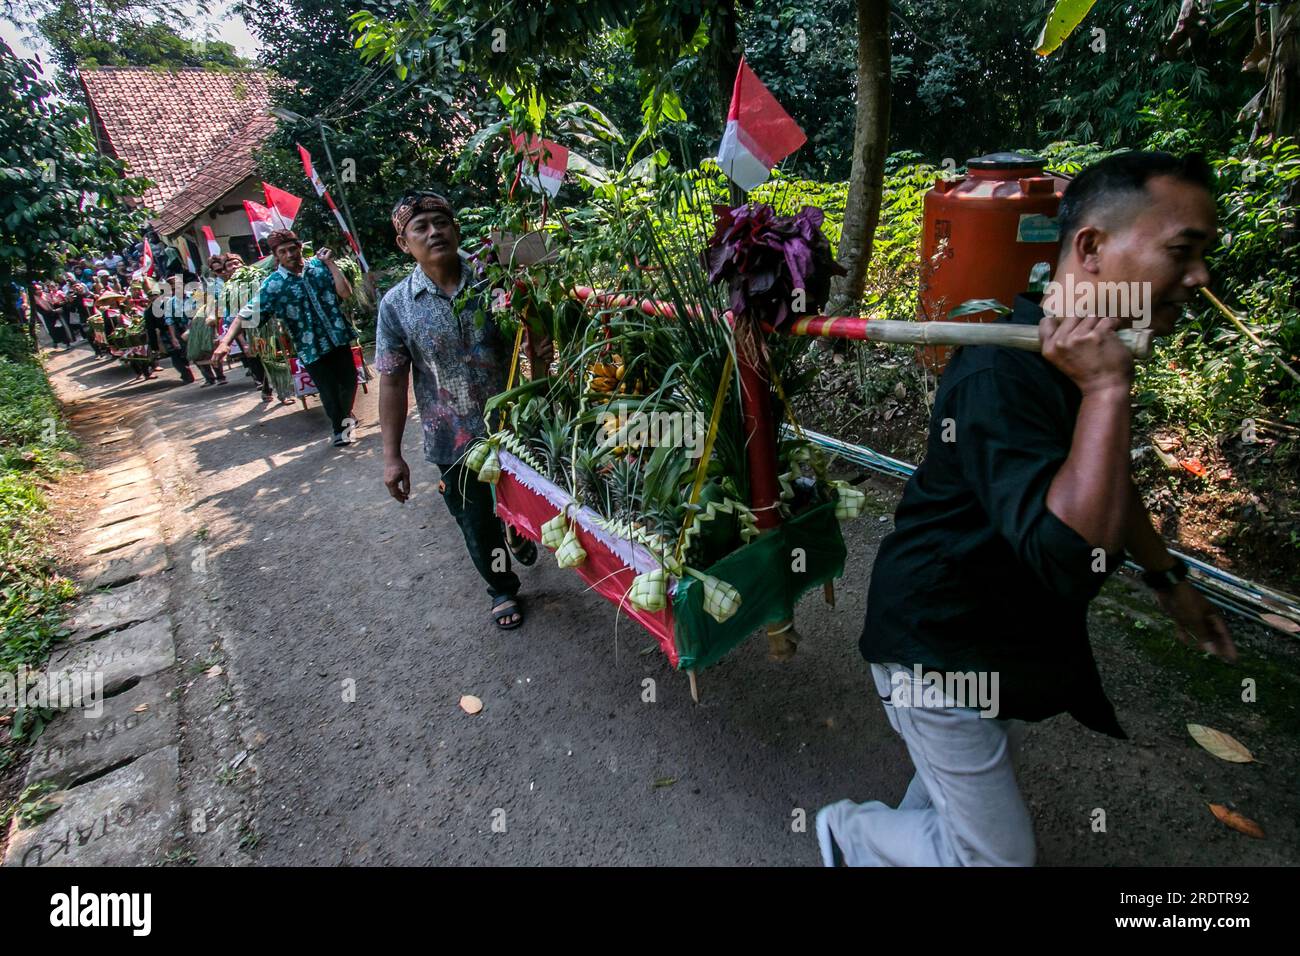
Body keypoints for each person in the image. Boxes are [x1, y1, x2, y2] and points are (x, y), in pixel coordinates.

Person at [816, 151, 1237, 868]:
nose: (1199, 277)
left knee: (958, 792)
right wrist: (1108, 396)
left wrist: (1170, 581)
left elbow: (1102, 484)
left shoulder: (1085, 355)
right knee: (994, 860)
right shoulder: (1000, 375)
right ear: (1092, 247)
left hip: (999, 643)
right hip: (938, 648)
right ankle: (849, 833)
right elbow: (1067, 559)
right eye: (1181, 252)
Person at [376, 191, 538, 631]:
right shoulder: (397, 305)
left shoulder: (496, 277)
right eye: (421, 228)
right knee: (475, 521)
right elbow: (390, 380)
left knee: (527, 500)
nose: (434, 233)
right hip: (452, 438)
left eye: (440, 222)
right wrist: (392, 456)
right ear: (404, 243)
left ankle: (520, 530)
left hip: (515, 423)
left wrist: (520, 246)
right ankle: (502, 587)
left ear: (456, 228)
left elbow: (540, 309)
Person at [211, 229, 358, 445]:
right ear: (276, 256)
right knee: (328, 391)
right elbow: (246, 314)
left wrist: (331, 264)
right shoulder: (274, 284)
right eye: (283, 251)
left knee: (350, 382)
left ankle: (345, 416)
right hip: (310, 347)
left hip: (338, 336)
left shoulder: (319, 267)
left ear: (300, 248)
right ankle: (341, 430)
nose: (289, 254)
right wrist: (225, 342)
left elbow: (345, 293)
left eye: (292, 249)